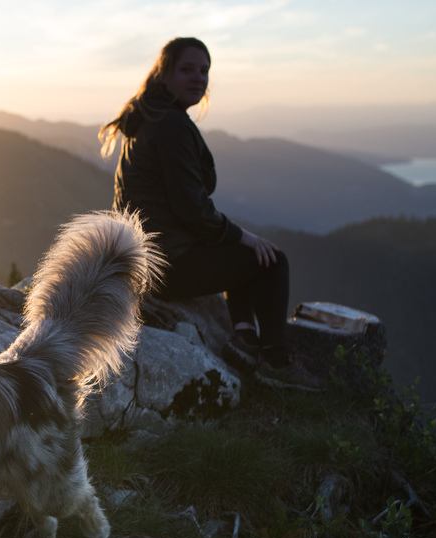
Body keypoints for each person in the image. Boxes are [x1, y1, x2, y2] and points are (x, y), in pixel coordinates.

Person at [101, 37, 322, 391]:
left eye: (204, 71)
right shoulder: (170, 125)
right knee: (272, 261)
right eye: (187, 69)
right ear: (164, 74)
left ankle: (244, 338)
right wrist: (242, 236)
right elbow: (192, 210)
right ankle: (276, 363)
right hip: (167, 266)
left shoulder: (148, 119)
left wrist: (234, 238)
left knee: (241, 252)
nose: (198, 78)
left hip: (145, 261)